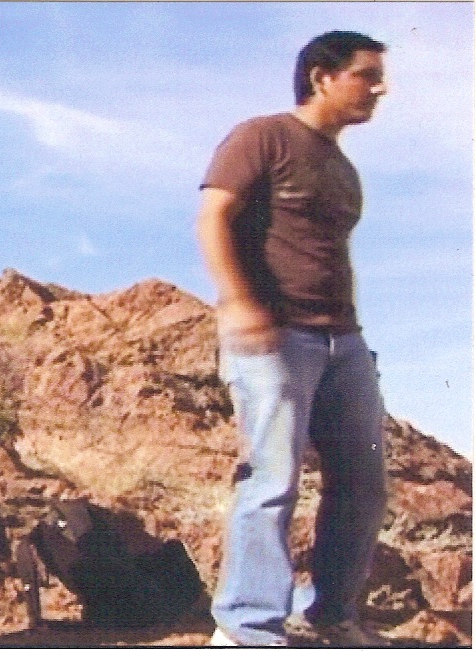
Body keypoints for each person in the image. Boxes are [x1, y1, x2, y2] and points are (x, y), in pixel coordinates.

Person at [196, 31, 391, 647]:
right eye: (367, 74)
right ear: (322, 77)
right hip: (276, 336)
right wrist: (240, 304)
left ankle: (331, 616)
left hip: (344, 342)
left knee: (364, 481)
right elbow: (214, 216)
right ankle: (248, 628)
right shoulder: (263, 136)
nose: (379, 87)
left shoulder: (342, 167)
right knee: (272, 480)